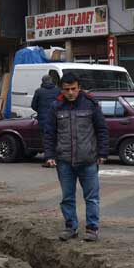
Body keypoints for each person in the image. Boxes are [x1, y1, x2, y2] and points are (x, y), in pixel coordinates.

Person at [43, 72, 109, 242]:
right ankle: (70, 227)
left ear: (79, 87)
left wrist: (102, 153)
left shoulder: (91, 105)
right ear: (62, 90)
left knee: (92, 197)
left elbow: (102, 129)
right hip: (64, 161)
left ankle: (92, 228)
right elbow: (49, 133)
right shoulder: (56, 107)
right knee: (67, 197)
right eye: (67, 89)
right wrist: (49, 155)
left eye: (73, 89)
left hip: (88, 160)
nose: (70, 92)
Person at [31, 74, 59, 167]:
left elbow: (33, 105)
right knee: (56, 138)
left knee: (46, 140)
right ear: (51, 80)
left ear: (42, 81)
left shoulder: (39, 91)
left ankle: (49, 160)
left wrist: (40, 111)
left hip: (44, 120)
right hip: (56, 119)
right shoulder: (57, 90)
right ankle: (57, 159)